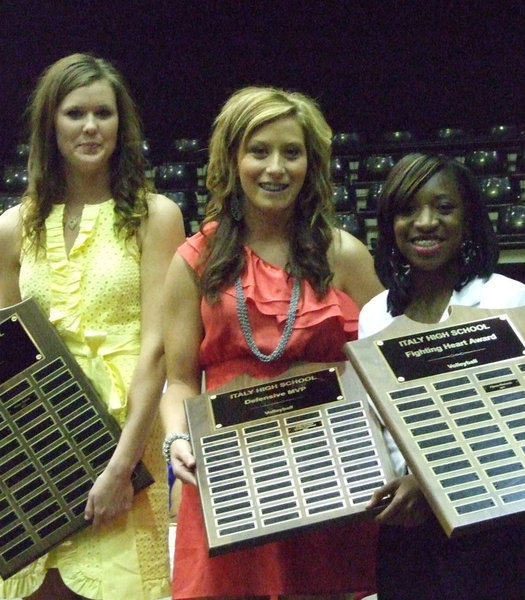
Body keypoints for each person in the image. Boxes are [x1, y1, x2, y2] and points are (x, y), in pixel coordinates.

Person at [160, 86, 384, 600]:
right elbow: (177, 381)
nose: (275, 168)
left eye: (292, 152)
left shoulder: (345, 256)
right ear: (232, 159)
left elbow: (382, 367)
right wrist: (176, 441)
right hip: (227, 478)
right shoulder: (193, 260)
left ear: (312, 162)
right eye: (259, 151)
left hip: (325, 476)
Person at [0, 53, 185, 599]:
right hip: (43, 443)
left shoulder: (156, 215)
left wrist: (121, 468)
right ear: (50, 125)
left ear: (120, 125)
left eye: (103, 113)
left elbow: (157, 352)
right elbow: (7, 362)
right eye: (74, 113)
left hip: (126, 438)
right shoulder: (12, 226)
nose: (89, 127)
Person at [360, 153, 525, 599]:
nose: (425, 222)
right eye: (408, 210)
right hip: (404, 536)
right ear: (390, 223)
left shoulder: (509, 298)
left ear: (469, 219)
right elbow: (375, 429)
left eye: (444, 208)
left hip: (494, 532)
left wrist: (431, 485)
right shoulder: (373, 315)